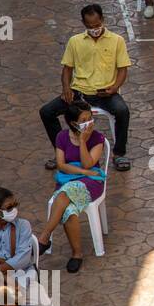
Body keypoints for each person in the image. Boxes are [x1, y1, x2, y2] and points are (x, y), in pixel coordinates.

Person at [38, 4, 131, 178]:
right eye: (89, 26)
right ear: (83, 23)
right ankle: (62, 150)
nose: (94, 29)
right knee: (47, 112)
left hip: (105, 93)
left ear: (102, 20)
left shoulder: (117, 40)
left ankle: (119, 154)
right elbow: (67, 69)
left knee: (122, 111)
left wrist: (114, 88)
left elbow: (123, 69)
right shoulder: (75, 41)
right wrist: (66, 88)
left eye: (96, 25)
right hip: (79, 92)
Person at [41, 101, 106, 273]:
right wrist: (83, 171)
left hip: (91, 183)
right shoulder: (62, 137)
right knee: (68, 209)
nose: (89, 122)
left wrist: (83, 141)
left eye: (90, 118)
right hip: (69, 179)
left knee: (64, 194)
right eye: (84, 120)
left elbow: (89, 162)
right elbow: (61, 165)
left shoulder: (97, 137)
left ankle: (44, 237)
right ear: (73, 123)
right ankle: (77, 254)